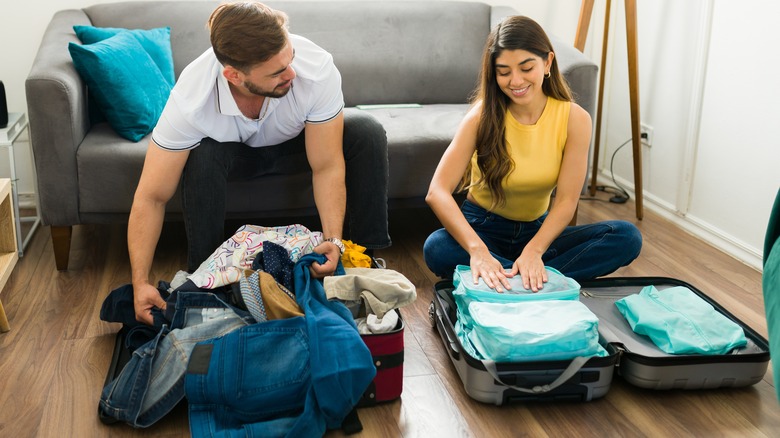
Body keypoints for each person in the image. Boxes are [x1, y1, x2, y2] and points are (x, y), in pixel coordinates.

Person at [128, 1, 390, 324]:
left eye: (289, 58)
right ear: (234, 76)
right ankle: (207, 280)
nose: (292, 73)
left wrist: (333, 240)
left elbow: (327, 166)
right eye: (277, 72)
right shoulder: (190, 100)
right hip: (233, 156)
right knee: (203, 154)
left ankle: (360, 261)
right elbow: (151, 196)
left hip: (299, 145)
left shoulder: (315, 68)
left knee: (367, 131)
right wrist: (139, 283)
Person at [423, 15, 641, 293]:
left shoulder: (575, 119)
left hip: (538, 233)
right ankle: (537, 281)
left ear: (548, 62)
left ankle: (510, 279)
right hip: (483, 227)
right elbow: (437, 191)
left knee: (626, 237)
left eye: (527, 68)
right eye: (503, 72)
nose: (516, 81)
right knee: (437, 248)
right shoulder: (481, 115)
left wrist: (535, 251)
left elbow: (565, 202)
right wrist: (477, 250)